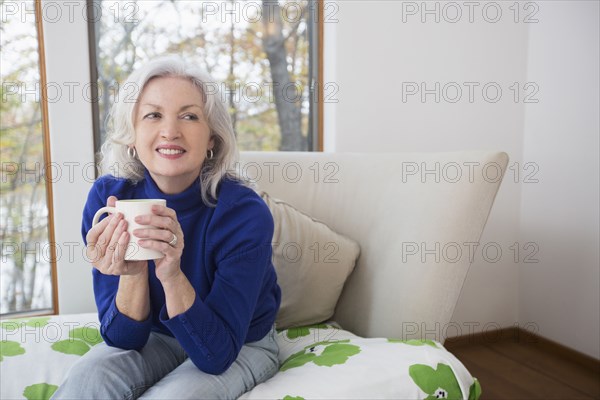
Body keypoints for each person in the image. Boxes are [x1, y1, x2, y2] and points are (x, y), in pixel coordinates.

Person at [52, 55, 281, 400]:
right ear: (131, 135)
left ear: (212, 141)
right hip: (157, 335)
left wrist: (172, 274)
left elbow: (215, 355)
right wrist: (132, 274)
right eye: (153, 115)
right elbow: (123, 339)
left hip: (239, 342)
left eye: (189, 116)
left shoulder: (244, 214)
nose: (170, 131)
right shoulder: (108, 198)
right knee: (87, 381)